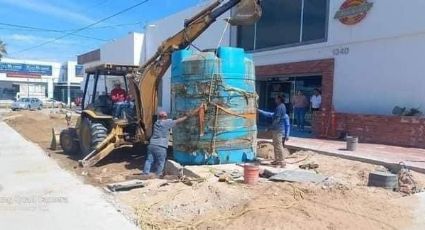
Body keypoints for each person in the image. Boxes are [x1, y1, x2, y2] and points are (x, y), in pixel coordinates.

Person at [143, 110, 197, 177]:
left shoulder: (156, 123)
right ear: (165, 117)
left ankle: (145, 173)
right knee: (161, 161)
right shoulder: (166, 123)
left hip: (152, 144)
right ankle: (158, 174)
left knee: (149, 160)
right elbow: (178, 121)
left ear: (159, 117)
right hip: (160, 146)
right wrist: (186, 117)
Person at [258, 95, 287, 167]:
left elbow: (277, 119)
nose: (275, 100)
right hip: (277, 129)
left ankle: (282, 161)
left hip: (278, 129)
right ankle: (277, 160)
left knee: (278, 145)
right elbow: (271, 115)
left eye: (276, 98)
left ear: (279, 99)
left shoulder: (280, 107)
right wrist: (260, 111)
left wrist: (270, 127)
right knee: (276, 145)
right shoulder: (281, 106)